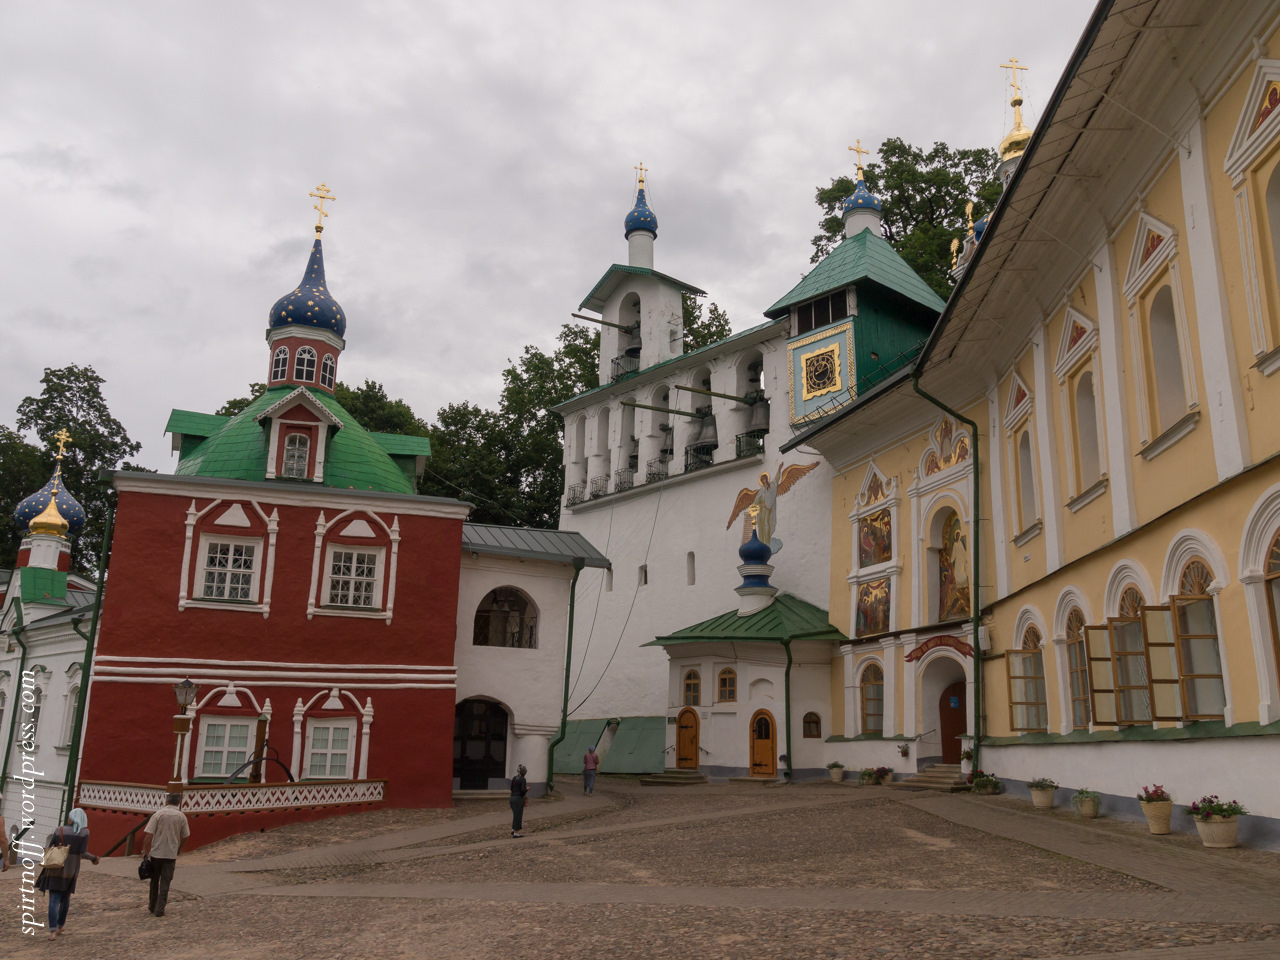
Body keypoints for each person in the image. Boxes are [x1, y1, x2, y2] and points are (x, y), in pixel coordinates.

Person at [36, 808, 99, 940]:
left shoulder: (59, 830)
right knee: (65, 900)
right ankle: (60, 926)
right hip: (71, 870)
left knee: (53, 899)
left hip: (55, 868)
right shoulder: (84, 833)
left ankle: (52, 931)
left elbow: (48, 848)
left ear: (70, 818)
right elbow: (83, 853)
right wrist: (94, 858)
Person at [140, 793, 190, 917]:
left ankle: (152, 905)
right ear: (178, 802)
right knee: (165, 882)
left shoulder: (158, 814)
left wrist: (145, 849)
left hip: (157, 853)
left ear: (167, 800)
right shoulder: (181, 816)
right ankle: (160, 908)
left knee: (154, 880)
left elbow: (149, 834)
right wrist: (179, 848)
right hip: (171, 853)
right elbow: (185, 835)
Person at [509, 763, 528, 838]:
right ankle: (516, 832)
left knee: (515, 815)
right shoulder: (523, 779)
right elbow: (523, 789)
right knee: (518, 815)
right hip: (518, 799)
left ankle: (513, 829)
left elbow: (511, 788)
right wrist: (527, 789)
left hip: (512, 798)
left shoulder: (514, 778)